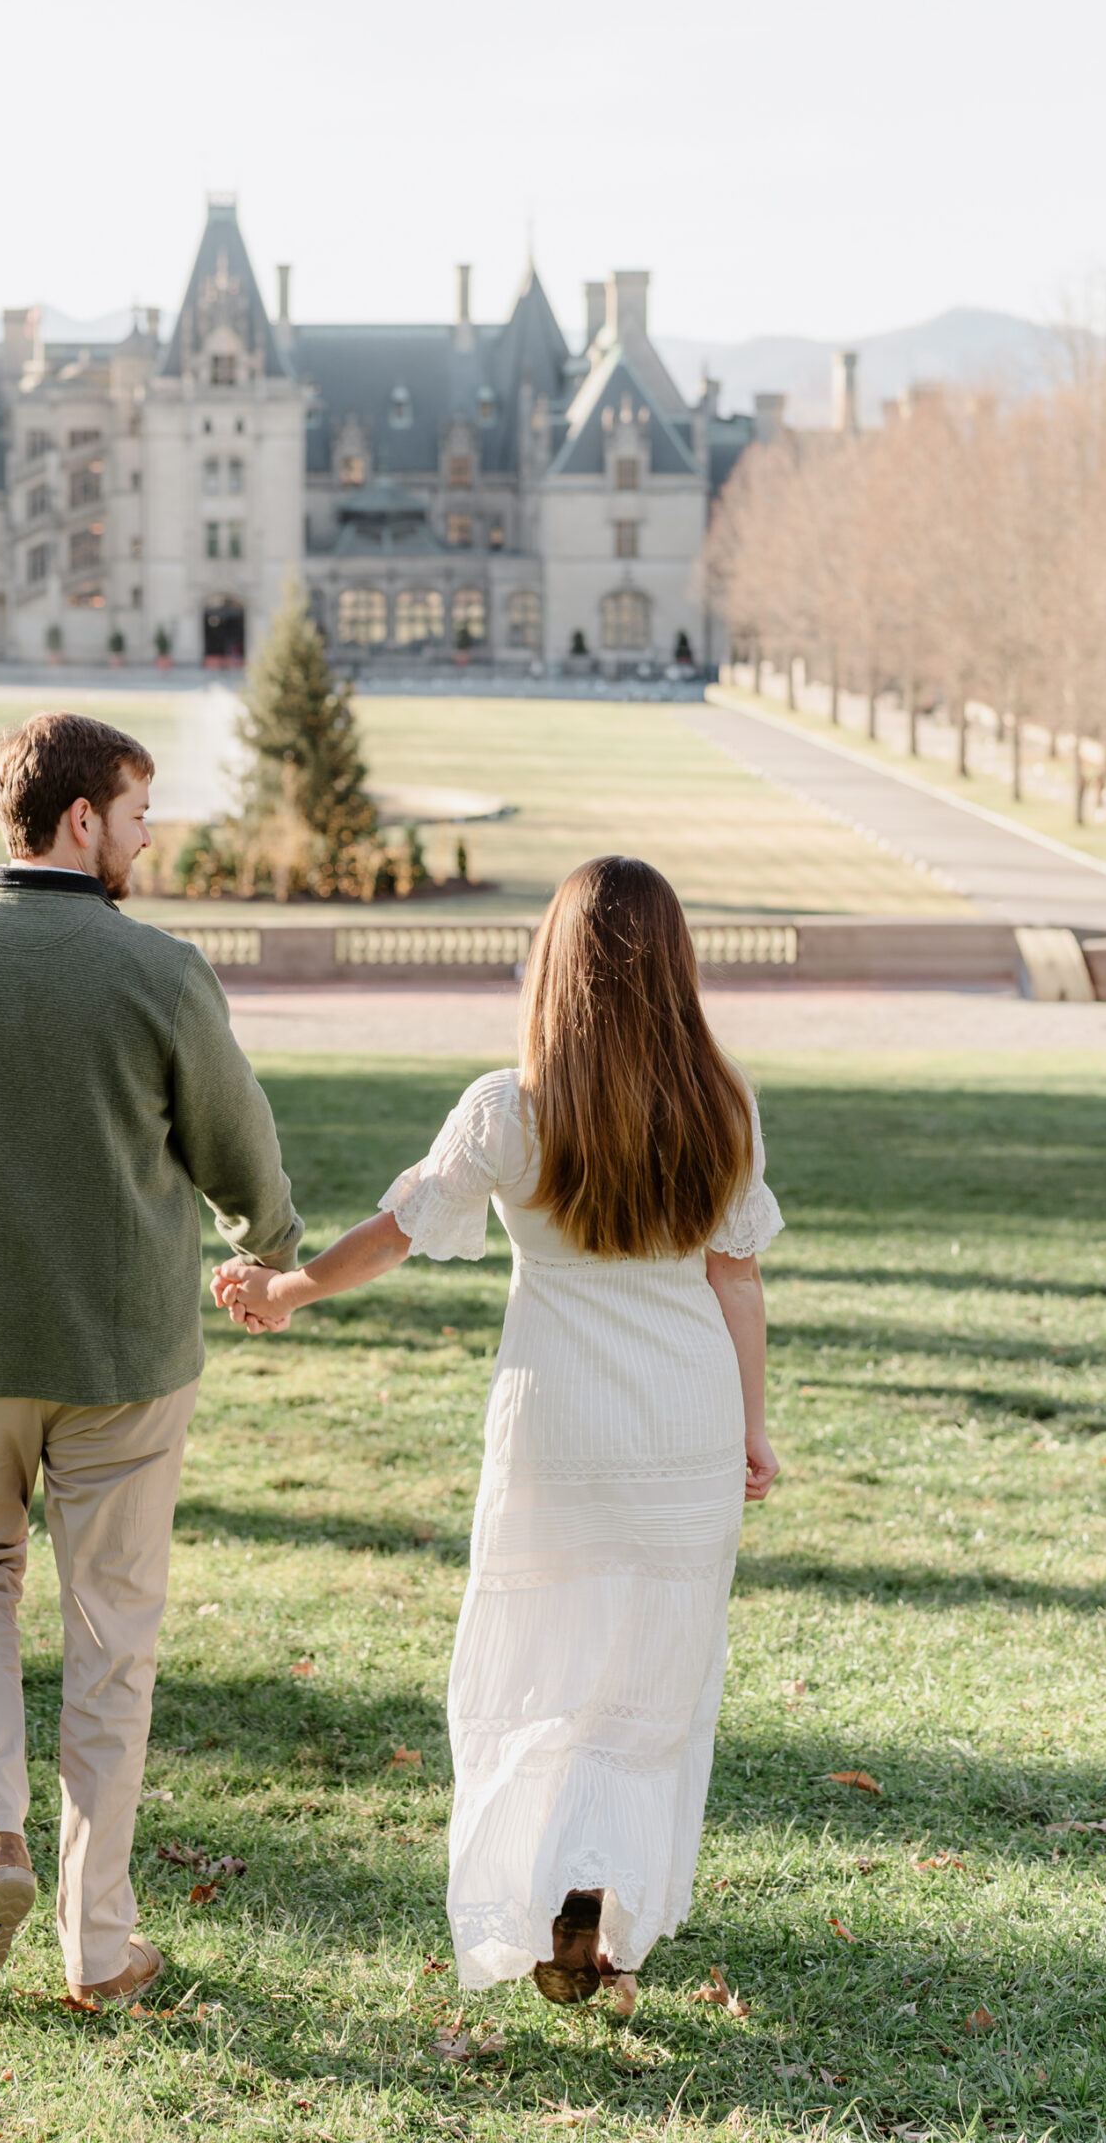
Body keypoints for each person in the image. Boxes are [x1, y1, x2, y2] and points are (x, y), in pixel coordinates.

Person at [215, 855, 781, 2009]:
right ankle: (602, 1912)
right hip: (683, 1424)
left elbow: (398, 1231)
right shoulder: (720, 1103)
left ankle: (546, 1891)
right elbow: (734, 1284)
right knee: (651, 1685)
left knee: (539, 1673)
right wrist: (751, 1429)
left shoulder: (510, 1107)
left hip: (555, 1428)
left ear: (553, 967)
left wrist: (287, 1290)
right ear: (674, 964)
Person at [0, 711, 302, 2006]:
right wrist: (272, 1251)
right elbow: (239, 1151)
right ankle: (99, 1942)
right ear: (81, 818)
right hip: (126, 1364)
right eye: (139, 815)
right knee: (111, 1643)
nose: (148, 841)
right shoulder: (159, 971)